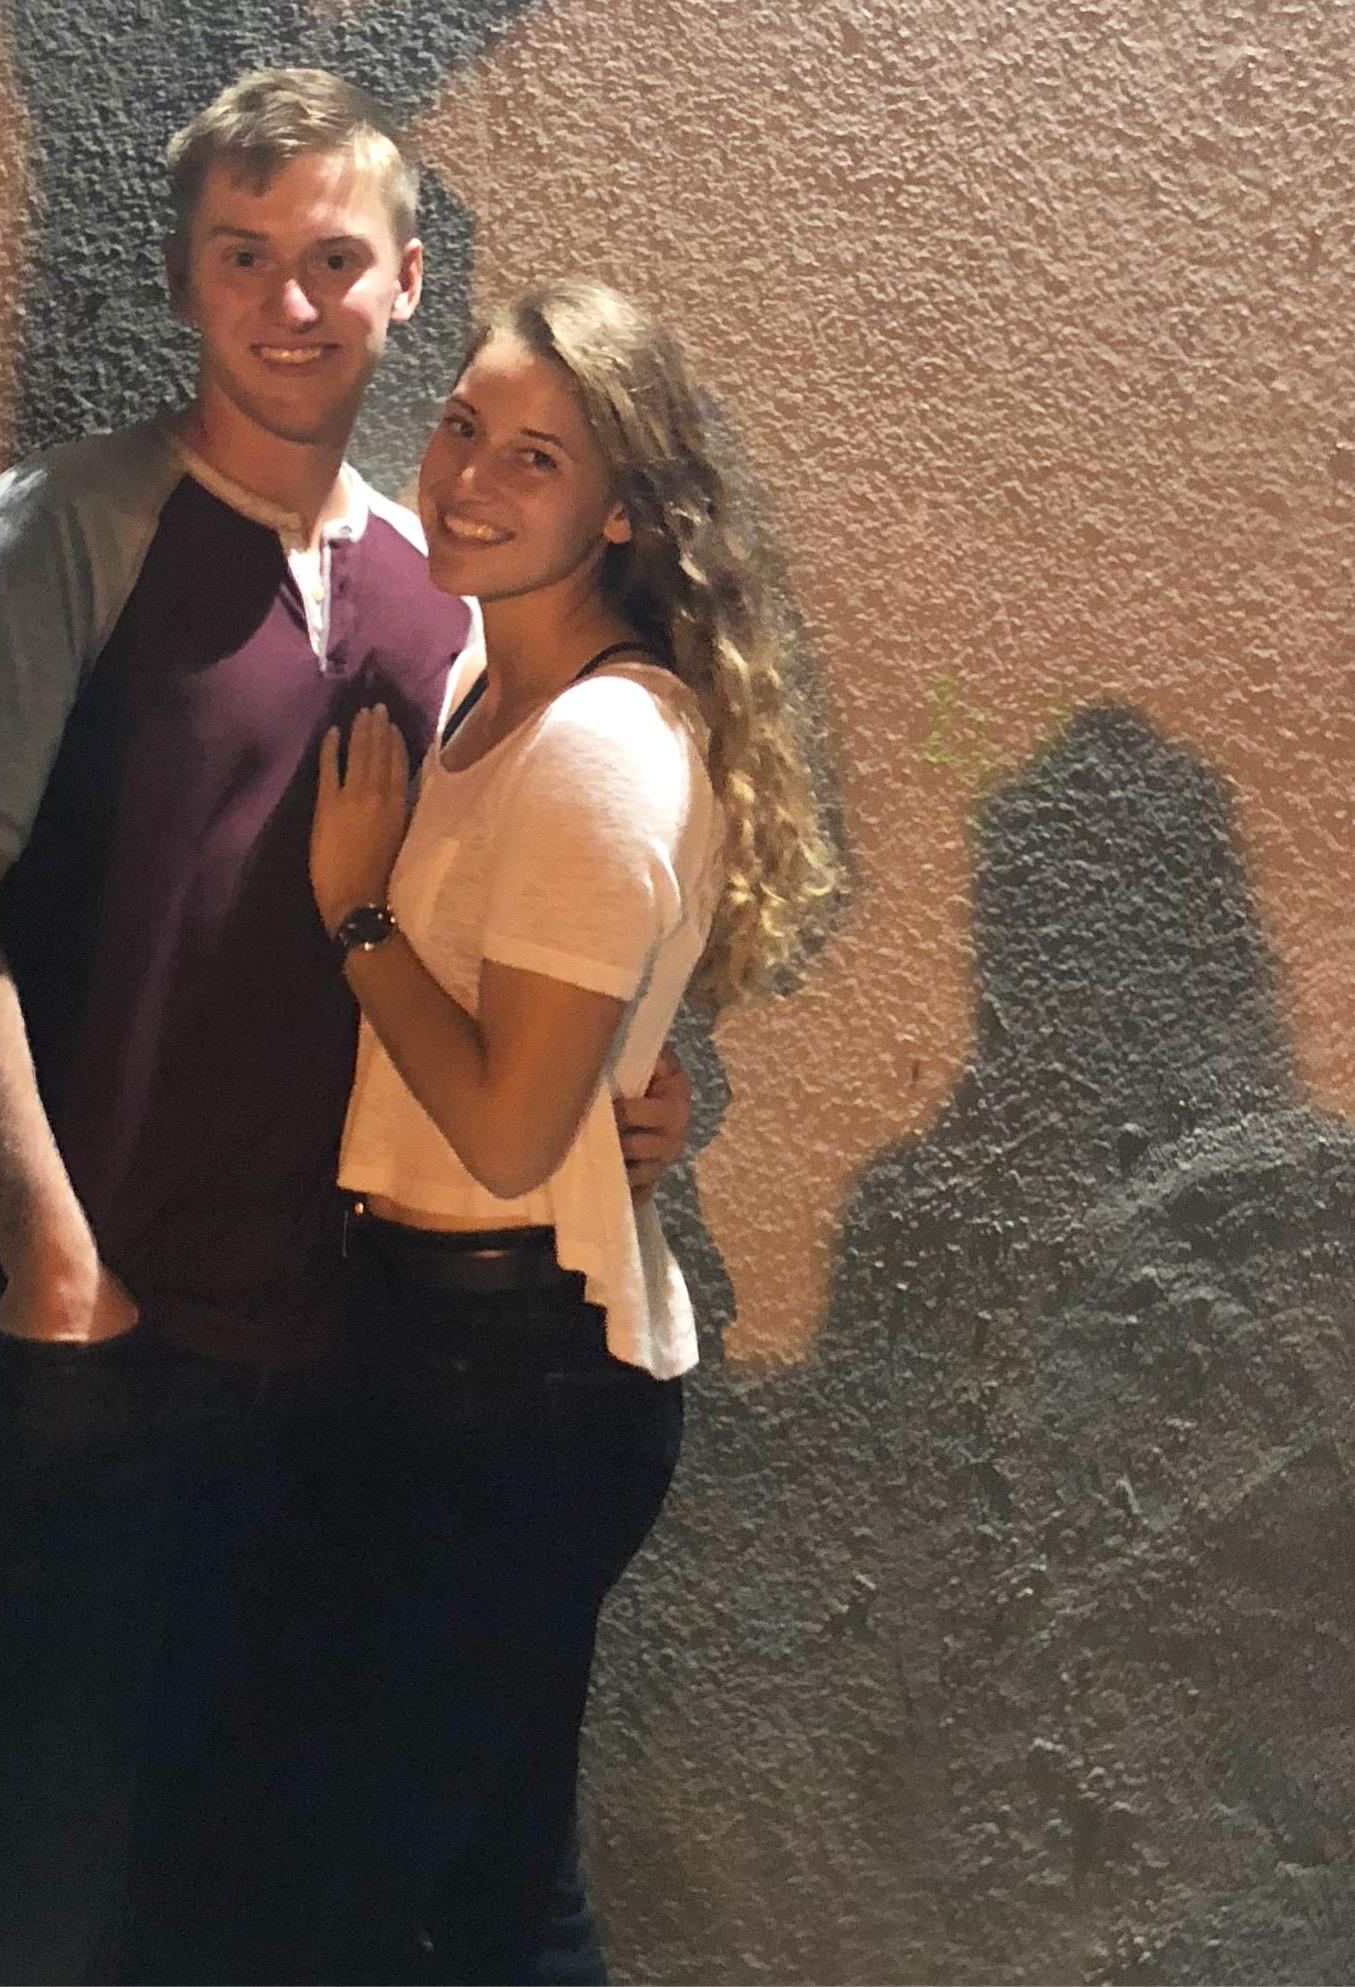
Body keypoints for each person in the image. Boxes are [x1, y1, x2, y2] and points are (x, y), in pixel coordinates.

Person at [0, 75, 693, 1983]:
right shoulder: (44, 535)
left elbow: (526, 924)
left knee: (218, 1902)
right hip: (88, 1344)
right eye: (244, 256)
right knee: (13, 1887)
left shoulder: (444, 587)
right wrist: (53, 1265)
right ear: (183, 278)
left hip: (340, 1374)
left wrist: (623, 1100)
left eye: (334, 257)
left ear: (407, 282)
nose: (292, 302)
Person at [292, 277, 842, 1983]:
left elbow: (511, 1130)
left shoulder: (601, 742)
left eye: (536, 455)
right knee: (499, 1895)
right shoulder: (486, 680)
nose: (469, 473)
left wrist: (356, 920)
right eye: (464, 424)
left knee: (345, 1895)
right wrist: (637, 1108)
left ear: (621, 511)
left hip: (514, 1379)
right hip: (451, 1343)